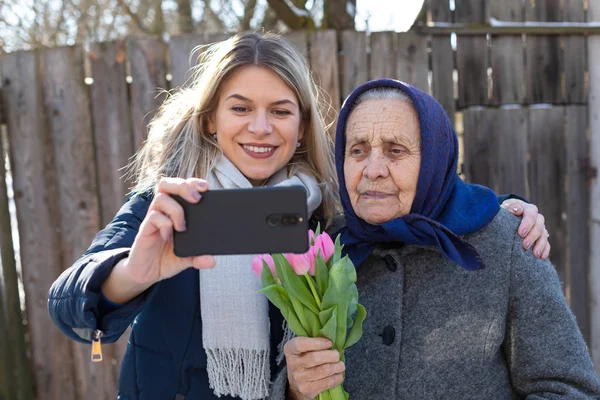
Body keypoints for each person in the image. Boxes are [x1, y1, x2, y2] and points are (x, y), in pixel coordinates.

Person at [48, 33, 549, 400]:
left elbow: (411, 202)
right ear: (210, 120)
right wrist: (132, 275)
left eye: (281, 110)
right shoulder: (169, 208)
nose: (260, 128)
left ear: (303, 121)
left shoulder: (321, 216)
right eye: (240, 108)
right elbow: (69, 309)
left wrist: (500, 214)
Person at [275, 79, 600, 400]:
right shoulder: (324, 252)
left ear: (434, 158)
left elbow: (569, 389)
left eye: (395, 150)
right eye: (357, 150)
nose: (373, 169)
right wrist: (295, 392)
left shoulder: (506, 241)